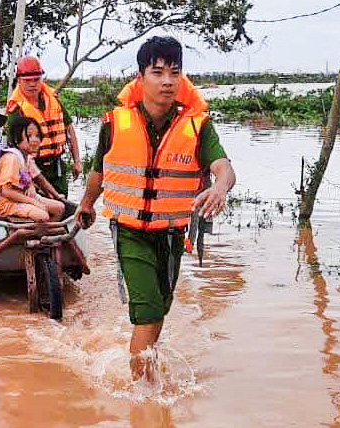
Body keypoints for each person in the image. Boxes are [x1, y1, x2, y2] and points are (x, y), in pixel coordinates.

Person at [76, 36, 236, 381]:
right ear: (140, 76)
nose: (167, 81)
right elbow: (98, 171)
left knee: (161, 307)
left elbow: (223, 167)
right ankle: (144, 399)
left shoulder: (198, 126)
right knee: (147, 313)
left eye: (174, 73)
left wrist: (220, 188)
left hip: (172, 233)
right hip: (130, 231)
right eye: (158, 72)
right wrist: (87, 203)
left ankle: (147, 367)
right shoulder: (114, 123)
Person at [5, 56, 83, 197]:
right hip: (33, 169)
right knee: (44, 212)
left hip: (57, 166)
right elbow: (14, 148)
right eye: (27, 81)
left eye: (36, 79)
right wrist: (28, 179)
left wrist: (77, 160)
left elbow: (69, 129)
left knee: (62, 204)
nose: (32, 84)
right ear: (18, 80)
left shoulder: (52, 99)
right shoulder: (15, 109)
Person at [0, 116, 65, 222]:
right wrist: (33, 202)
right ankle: (38, 235)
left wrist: (56, 195)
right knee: (42, 215)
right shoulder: (11, 158)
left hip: (24, 198)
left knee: (59, 208)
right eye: (29, 135)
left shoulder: (27, 158)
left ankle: (43, 236)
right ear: (17, 138)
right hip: (6, 203)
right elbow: (7, 192)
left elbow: (39, 178)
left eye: (37, 136)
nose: (35, 140)